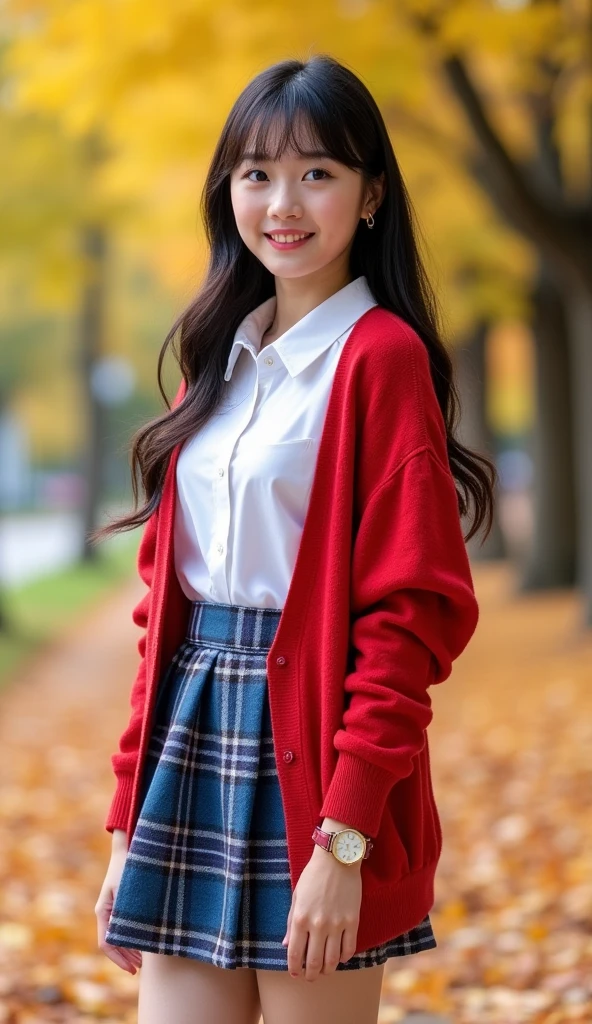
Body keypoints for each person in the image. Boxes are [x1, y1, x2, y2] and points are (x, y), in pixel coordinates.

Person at [92, 53, 495, 1024]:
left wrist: (344, 840)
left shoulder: (380, 360)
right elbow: (163, 620)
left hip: (318, 753)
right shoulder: (214, 358)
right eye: (256, 173)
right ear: (226, 189)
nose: (283, 201)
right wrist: (123, 825)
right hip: (192, 743)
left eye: (317, 172)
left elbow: (408, 624)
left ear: (369, 197)